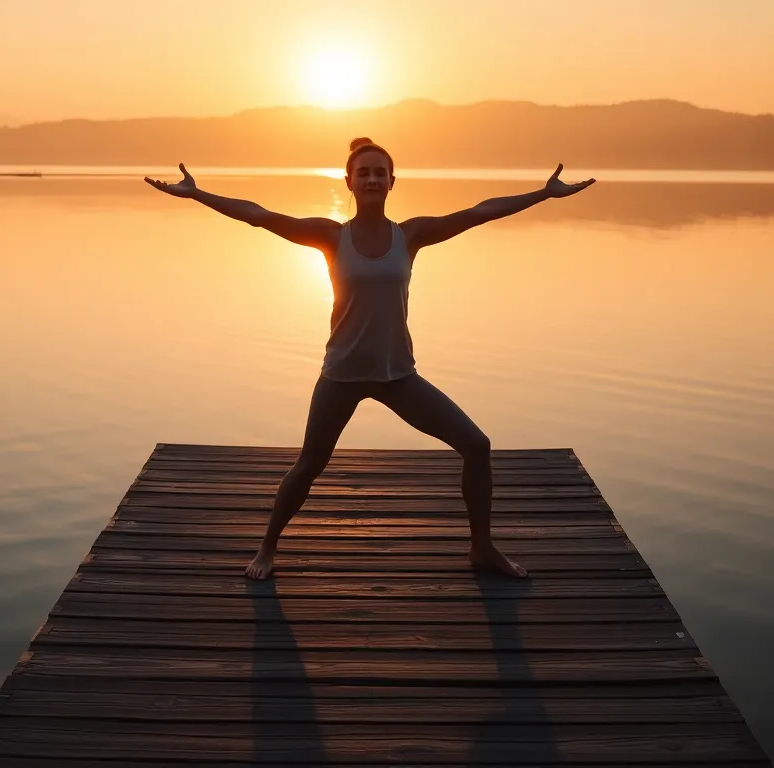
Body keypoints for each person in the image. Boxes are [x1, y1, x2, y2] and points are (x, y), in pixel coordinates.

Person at [145, 138, 595, 579]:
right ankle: (267, 547)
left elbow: (478, 213)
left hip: (397, 376)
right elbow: (261, 216)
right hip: (341, 376)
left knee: (476, 446)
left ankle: (482, 547)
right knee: (309, 465)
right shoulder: (329, 235)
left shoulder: (411, 234)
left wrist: (542, 194)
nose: (373, 178)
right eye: (364, 172)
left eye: (381, 172)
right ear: (350, 182)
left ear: (392, 181)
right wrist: (198, 194)